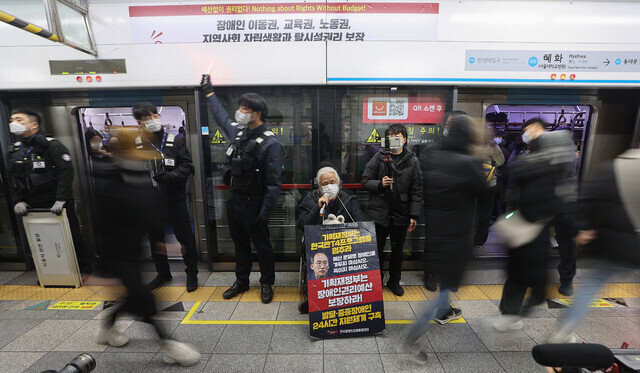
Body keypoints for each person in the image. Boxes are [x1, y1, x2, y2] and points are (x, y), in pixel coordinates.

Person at [92, 131, 200, 366]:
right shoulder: (111, 176)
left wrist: (160, 240)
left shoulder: (136, 171)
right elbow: (103, 222)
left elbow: (147, 207)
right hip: (118, 251)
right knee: (144, 300)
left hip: (133, 249)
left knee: (134, 295)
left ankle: (106, 328)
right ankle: (171, 345)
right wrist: (101, 267)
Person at [403, 115, 485, 360]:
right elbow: (486, 191)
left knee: (445, 287)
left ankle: (443, 310)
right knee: (443, 289)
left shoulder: (435, 155)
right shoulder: (468, 162)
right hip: (456, 235)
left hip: (438, 231)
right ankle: (411, 339)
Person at [201, 74, 283, 303]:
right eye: (240, 107)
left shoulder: (271, 144)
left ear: (256, 113)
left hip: (255, 204)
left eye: (244, 108)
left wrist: (265, 213)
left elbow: (273, 184)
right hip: (234, 200)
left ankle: (266, 283)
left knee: (263, 246)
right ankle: (242, 281)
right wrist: (209, 93)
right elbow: (220, 116)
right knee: (240, 244)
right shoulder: (238, 133)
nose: (240, 111)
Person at [547, 147, 640, 343]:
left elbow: (589, 201)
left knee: (591, 286)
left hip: (612, 244)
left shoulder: (611, 168)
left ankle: (564, 331)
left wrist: (584, 227)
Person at [493, 118, 577, 331]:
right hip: (536, 231)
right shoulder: (553, 173)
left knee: (516, 274)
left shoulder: (521, 164)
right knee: (536, 276)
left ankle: (508, 314)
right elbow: (558, 204)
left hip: (518, 225)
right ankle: (522, 311)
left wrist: (510, 215)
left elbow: (508, 193)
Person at [6, 109, 93, 276]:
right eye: (12, 119)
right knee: (42, 240)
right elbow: (11, 179)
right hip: (32, 205)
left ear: (34, 125)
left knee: (71, 237)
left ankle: (83, 269)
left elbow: (65, 173)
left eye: (19, 119)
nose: (14, 123)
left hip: (57, 202)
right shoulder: (15, 150)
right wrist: (17, 200)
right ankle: (52, 273)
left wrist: (61, 199)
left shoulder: (52, 145)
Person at [132, 102, 199, 292]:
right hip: (150, 202)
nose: (153, 119)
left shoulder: (174, 140)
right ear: (139, 122)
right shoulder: (136, 144)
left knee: (185, 237)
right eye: (147, 117)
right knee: (155, 240)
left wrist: (171, 176)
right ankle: (163, 274)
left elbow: (187, 166)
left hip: (174, 198)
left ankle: (192, 273)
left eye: (154, 115)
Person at [361, 123, 423, 296]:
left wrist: (414, 214)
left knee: (398, 251)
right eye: (390, 135)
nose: (394, 139)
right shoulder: (379, 157)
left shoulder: (412, 160)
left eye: (397, 136)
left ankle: (394, 281)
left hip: (401, 213)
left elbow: (417, 190)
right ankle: (377, 280)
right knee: (377, 249)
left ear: (404, 139)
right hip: (379, 212)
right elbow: (365, 180)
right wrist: (380, 184)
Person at [297, 165, 366, 313]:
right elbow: (303, 225)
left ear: (338, 183)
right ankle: (315, 297)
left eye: (332, 182)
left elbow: (360, 223)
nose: (329, 186)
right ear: (319, 186)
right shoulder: (309, 200)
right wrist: (317, 207)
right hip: (319, 247)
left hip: (344, 246)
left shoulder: (348, 198)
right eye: (325, 184)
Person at [423, 110, 467, 292]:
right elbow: (422, 176)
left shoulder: (469, 152)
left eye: (453, 125)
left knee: (456, 243)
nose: (448, 129)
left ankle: (450, 277)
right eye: (447, 125)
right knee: (433, 241)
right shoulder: (432, 149)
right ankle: (430, 274)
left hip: (460, 207)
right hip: (437, 205)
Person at [473, 128, 505, 249]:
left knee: (469, 212)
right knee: (485, 214)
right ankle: (479, 240)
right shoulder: (493, 146)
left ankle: (468, 238)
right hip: (489, 183)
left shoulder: (469, 143)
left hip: (471, 183)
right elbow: (501, 161)